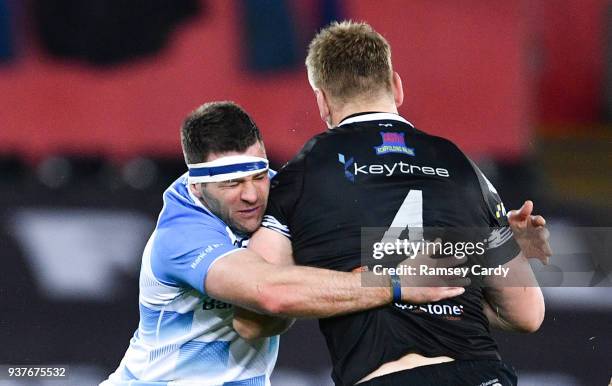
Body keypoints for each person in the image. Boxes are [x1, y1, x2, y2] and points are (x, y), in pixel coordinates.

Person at [245, 21, 548, 386]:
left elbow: (255, 316)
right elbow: (527, 313)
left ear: (322, 101)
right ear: (397, 86)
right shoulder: (464, 166)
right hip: (481, 375)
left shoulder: (300, 174)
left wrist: (335, 290)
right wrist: (456, 281)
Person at [100, 101, 475, 386]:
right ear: (197, 186)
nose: (252, 196)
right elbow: (269, 298)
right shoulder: (181, 237)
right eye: (232, 184)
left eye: (258, 175)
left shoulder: (281, 194)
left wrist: (501, 234)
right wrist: (394, 283)